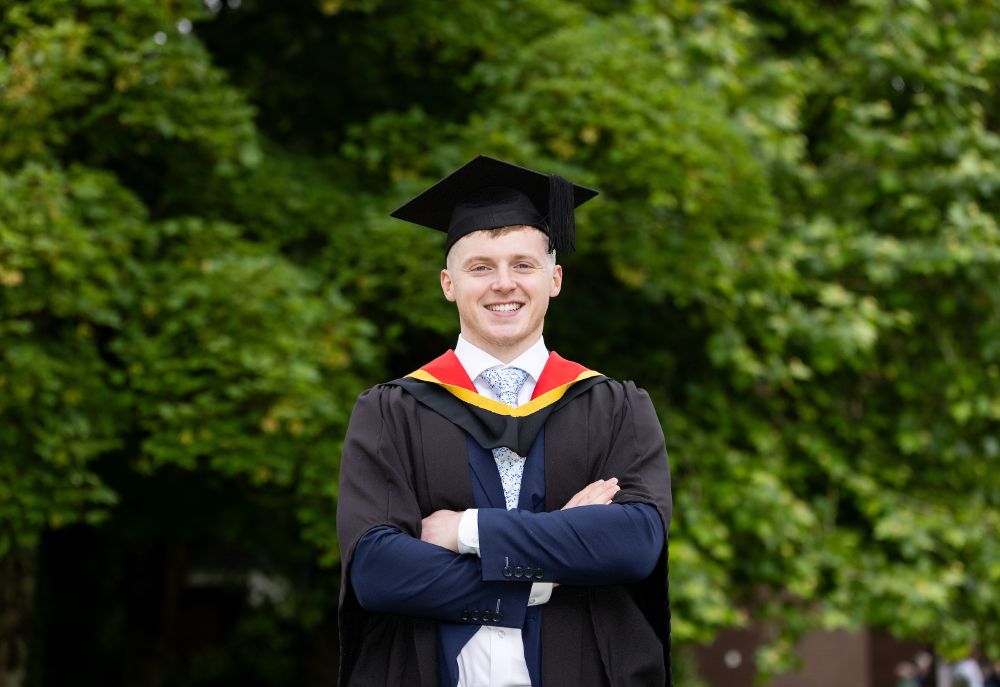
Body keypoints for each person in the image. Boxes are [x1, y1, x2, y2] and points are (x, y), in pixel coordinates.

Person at [336, 155, 672, 686]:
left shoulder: (616, 407)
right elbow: (378, 572)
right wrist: (552, 570)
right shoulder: (391, 411)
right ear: (448, 283)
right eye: (480, 267)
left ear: (554, 279)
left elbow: (633, 543)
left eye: (523, 264)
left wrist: (464, 531)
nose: (503, 283)